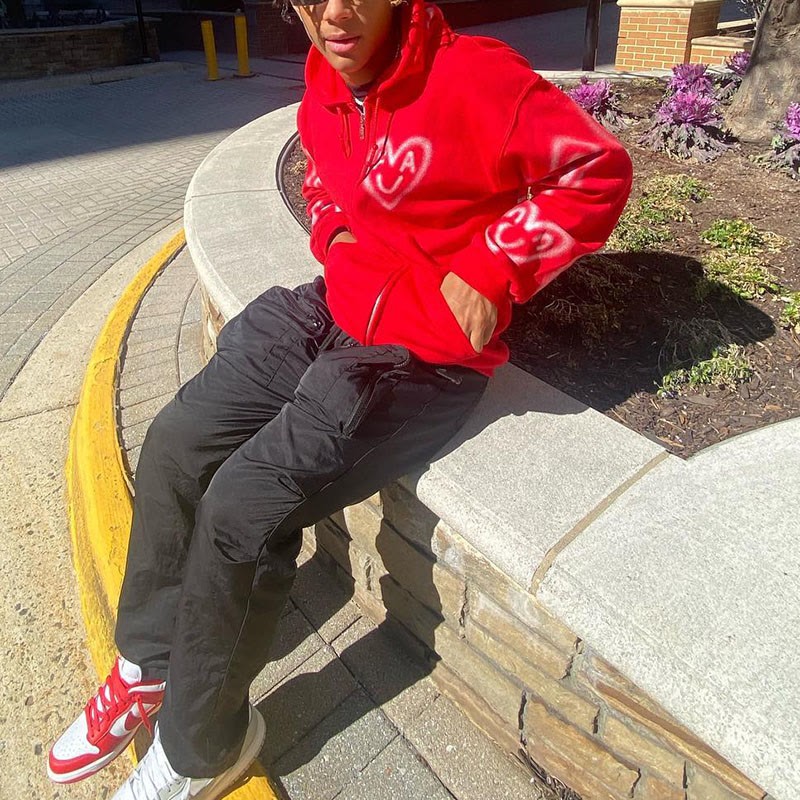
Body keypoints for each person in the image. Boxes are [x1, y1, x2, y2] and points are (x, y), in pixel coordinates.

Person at [46, 0, 633, 798]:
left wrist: (493, 269)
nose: (332, 12)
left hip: (420, 359)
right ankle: (150, 666)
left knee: (241, 510)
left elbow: (595, 171)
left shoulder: (475, 77)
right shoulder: (324, 81)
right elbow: (319, 174)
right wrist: (335, 236)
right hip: (334, 307)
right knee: (176, 442)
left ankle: (202, 747)